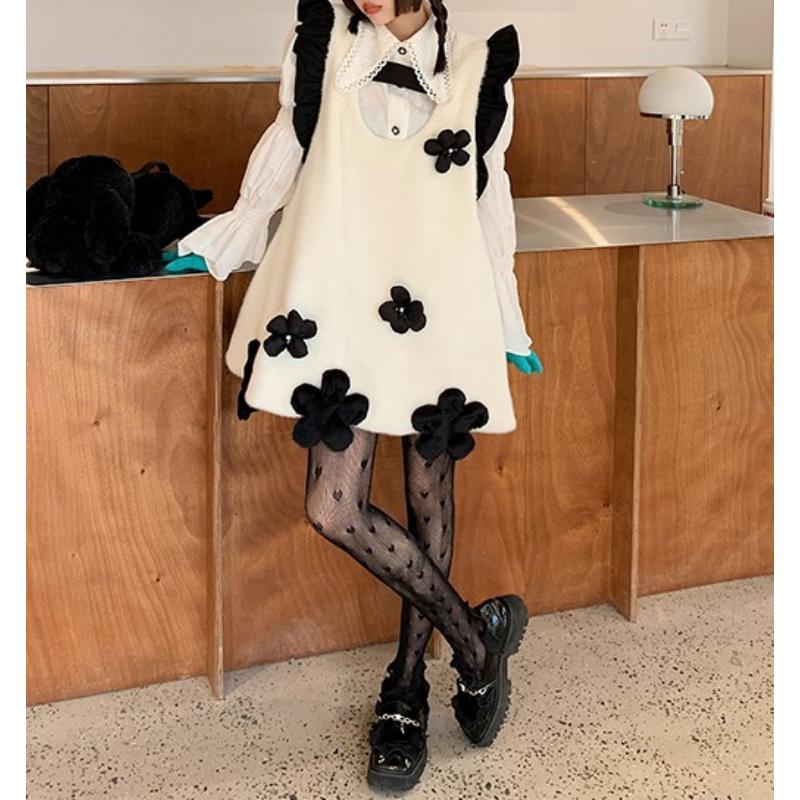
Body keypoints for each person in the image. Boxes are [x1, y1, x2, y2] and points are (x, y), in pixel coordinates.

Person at [178, 0, 542, 790]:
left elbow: (488, 198)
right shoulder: (326, 48)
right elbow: (286, 150)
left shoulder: (479, 68)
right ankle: (477, 644)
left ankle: (405, 694)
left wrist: (508, 321)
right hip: (342, 315)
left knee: (427, 494)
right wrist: (225, 239)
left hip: (440, 310)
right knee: (332, 507)